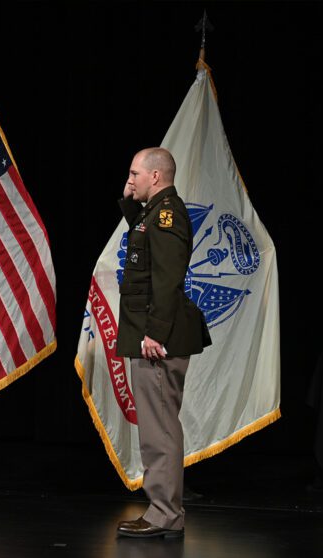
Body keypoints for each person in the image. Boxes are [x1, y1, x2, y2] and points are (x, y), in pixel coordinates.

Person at [115, 147, 211, 538]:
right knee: (157, 426)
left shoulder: (167, 215)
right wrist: (128, 196)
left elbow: (168, 279)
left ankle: (164, 513)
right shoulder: (153, 211)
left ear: (156, 177)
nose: (131, 178)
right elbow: (142, 239)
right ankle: (163, 510)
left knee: (160, 429)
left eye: (136, 173)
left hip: (158, 337)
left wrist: (154, 332)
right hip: (151, 333)